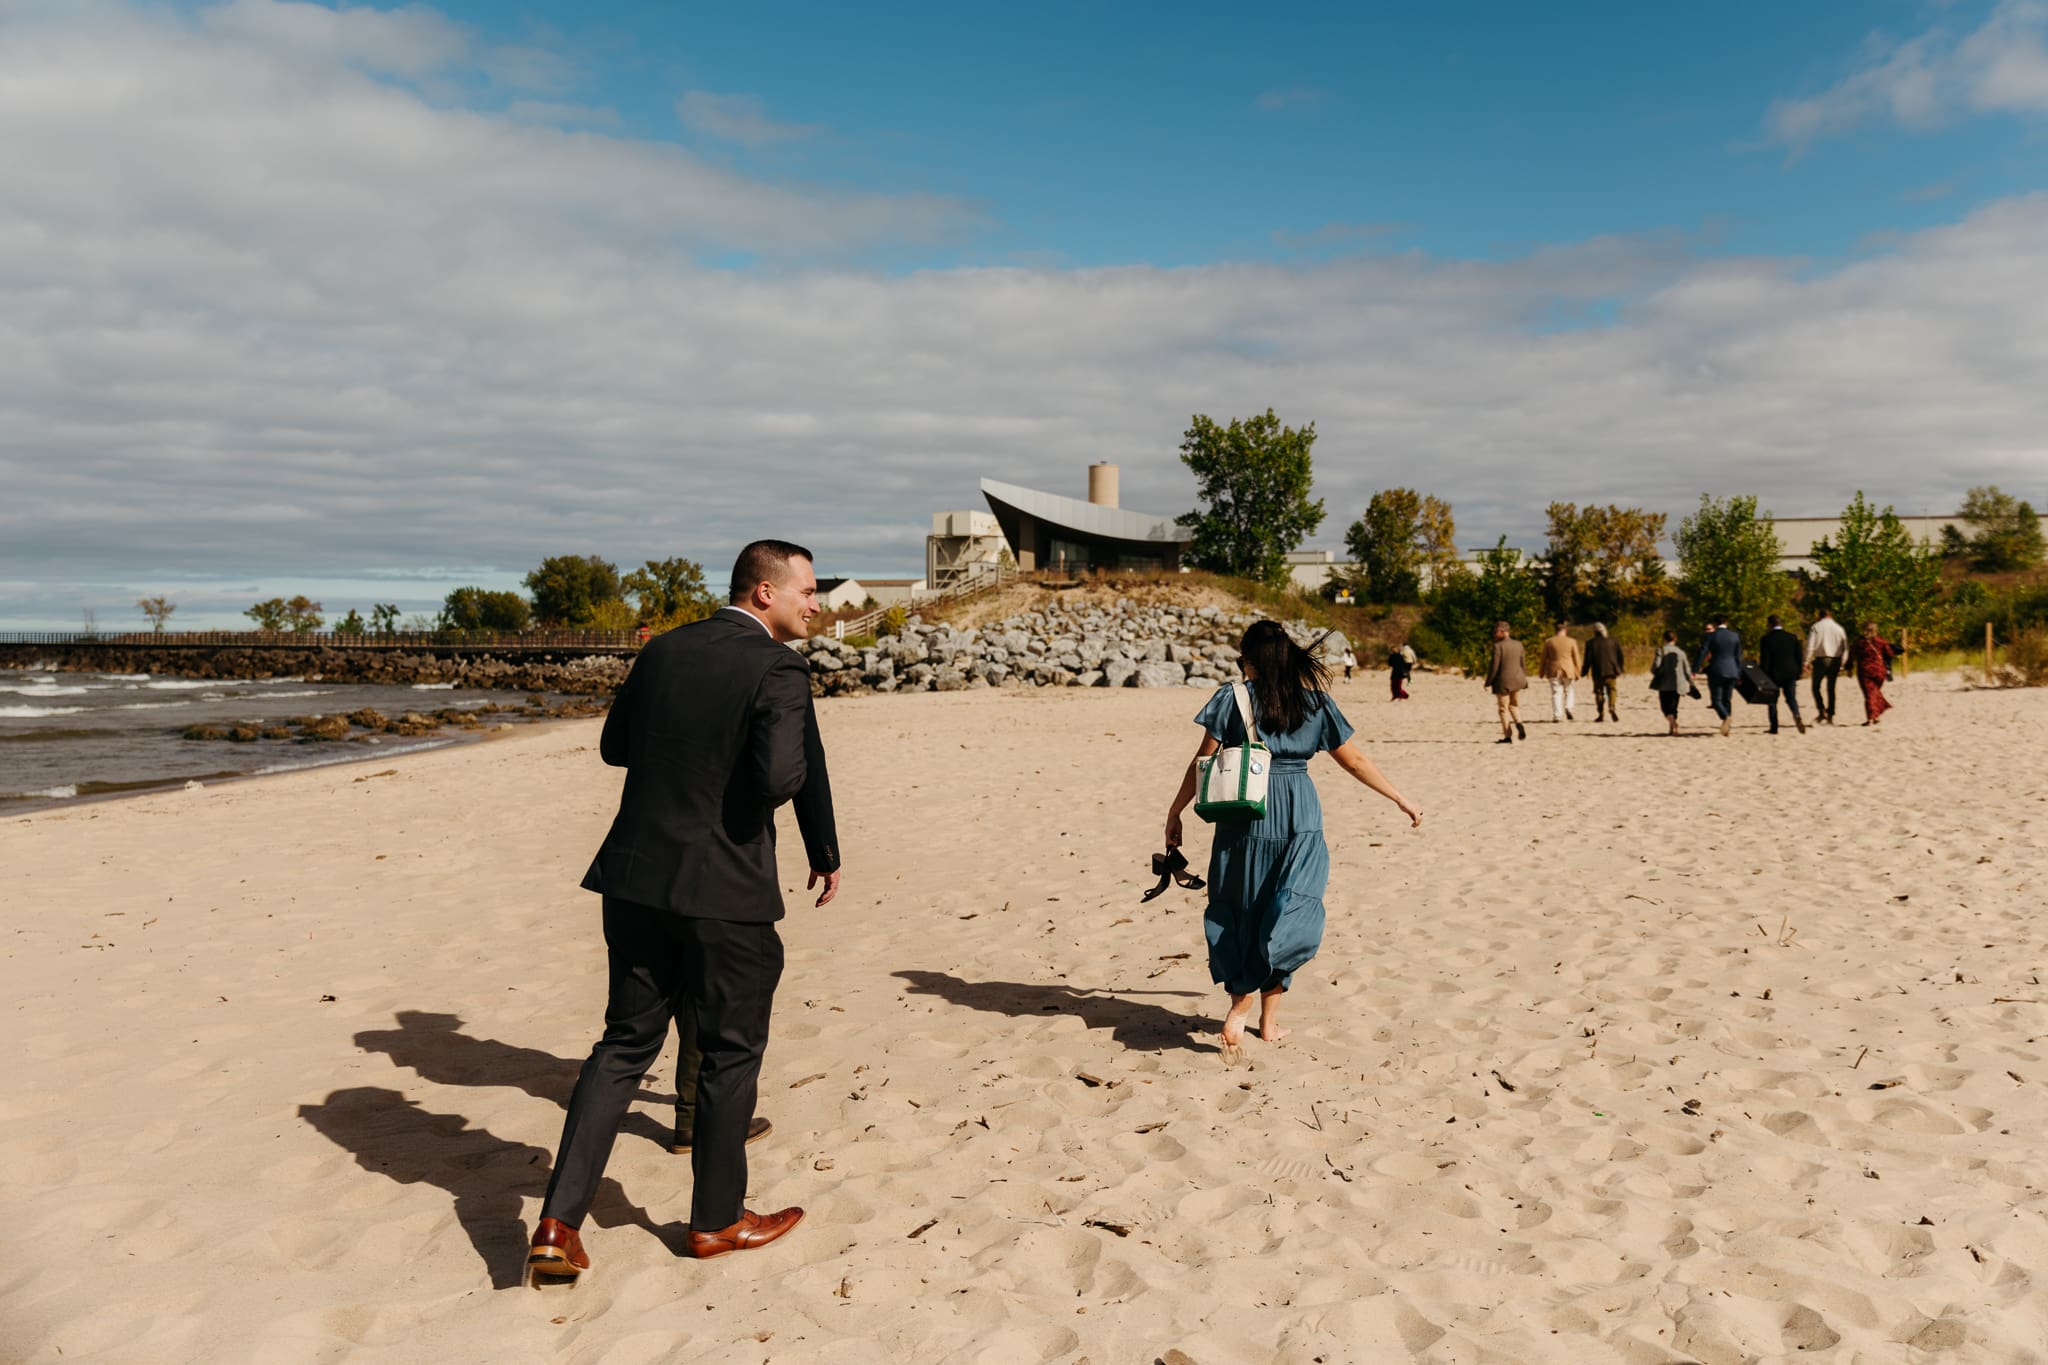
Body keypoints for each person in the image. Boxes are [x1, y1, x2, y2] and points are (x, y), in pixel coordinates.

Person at [529, 540, 842, 1285]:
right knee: (732, 1050)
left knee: (623, 1046)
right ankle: (716, 1220)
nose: (817, 603)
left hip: (634, 879)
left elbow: (614, 747)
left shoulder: (664, 650)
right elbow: (780, 775)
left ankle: (556, 1222)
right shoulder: (779, 667)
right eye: (806, 590)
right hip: (724, 891)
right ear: (763, 592)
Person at [1162, 620, 1420, 1064]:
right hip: (1299, 814)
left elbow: (1203, 762)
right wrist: (1398, 797)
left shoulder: (1232, 698)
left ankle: (1259, 1016)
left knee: (1243, 909)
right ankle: (1251, 1012)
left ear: (1250, 659)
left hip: (1244, 815)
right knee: (1289, 907)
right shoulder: (1316, 705)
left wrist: (1176, 811)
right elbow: (1354, 761)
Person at [1758, 614, 1806, 735]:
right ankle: (1796, 714)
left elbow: (1765, 659)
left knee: (1772, 700)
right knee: (1791, 698)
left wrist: (1762, 674)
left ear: (1769, 625)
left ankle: (1774, 727)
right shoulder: (1792, 637)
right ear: (1781, 624)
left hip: (1773, 673)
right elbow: (1799, 657)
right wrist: (1799, 672)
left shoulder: (1766, 639)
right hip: (1790, 672)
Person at [1697, 617, 1743, 737]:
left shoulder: (1711, 636)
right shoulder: (1735, 636)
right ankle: (1727, 727)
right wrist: (1738, 672)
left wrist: (1696, 667)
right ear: (1726, 623)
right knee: (1727, 699)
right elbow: (1738, 656)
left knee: (1716, 700)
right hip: (1732, 670)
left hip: (1717, 670)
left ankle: (1725, 717)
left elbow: (1703, 652)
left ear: (1715, 624)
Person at [1483, 621, 1527, 744]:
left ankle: (1507, 735)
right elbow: (1522, 664)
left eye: (1496, 632)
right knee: (1514, 705)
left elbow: (1494, 667)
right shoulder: (1519, 644)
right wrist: (1523, 678)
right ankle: (1519, 723)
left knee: (1503, 709)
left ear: (1503, 631)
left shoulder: (1498, 646)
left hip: (1503, 682)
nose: (1494, 634)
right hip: (1517, 680)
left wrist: (1488, 682)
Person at [1805, 607, 1848, 724]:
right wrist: (1842, 664)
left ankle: (1821, 710)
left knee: (1815, 687)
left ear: (1820, 616)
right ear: (1831, 616)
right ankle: (1830, 715)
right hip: (1835, 660)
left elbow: (1810, 646)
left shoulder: (1816, 627)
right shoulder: (1839, 628)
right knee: (1831, 688)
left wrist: (1807, 661)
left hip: (1821, 660)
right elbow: (1845, 648)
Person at [1648, 630, 1694, 736]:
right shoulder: (1681, 652)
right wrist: (1690, 683)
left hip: (1664, 683)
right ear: (1675, 639)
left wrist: (1654, 671)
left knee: (1665, 707)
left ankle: (1673, 723)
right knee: (1674, 707)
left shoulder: (1661, 650)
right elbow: (1687, 670)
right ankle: (1672, 728)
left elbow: (1656, 665)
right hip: (1678, 684)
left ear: (1664, 639)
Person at [1852, 620, 1897, 726]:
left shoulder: (1859, 643)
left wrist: (1848, 667)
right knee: (1874, 693)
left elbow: (1852, 654)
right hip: (1880, 671)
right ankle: (1875, 715)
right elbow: (1890, 654)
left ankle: (1871, 718)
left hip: (1865, 671)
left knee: (1869, 694)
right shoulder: (1881, 642)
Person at [1538, 623, 1582, 723]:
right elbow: (1576, 658)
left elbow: (1543, 658)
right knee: (1569, 690)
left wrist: (1541, 671)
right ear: (1565, 631)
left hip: (1553, 669)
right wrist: (1578, 671)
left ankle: (1557, 715)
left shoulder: (1549, 642)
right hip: (1569, 669)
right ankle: (1568, 707)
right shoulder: (1571, 641)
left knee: (1556, 692)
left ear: (1555, 631)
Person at [1584, 622, 1624, 722]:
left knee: (1599, 692)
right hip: (1611, 670)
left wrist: (1584, 671)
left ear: (1594, 632)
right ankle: (1612, 706)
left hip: (1597, 671)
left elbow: (1588, 659)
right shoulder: (1613, 641)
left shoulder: (1591, 643)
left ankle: (1601, 713)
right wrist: (1620, 668)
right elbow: (1620, 656)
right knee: (1612, 690)